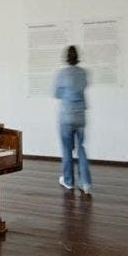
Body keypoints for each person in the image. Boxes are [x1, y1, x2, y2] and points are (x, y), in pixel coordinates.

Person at [54, 45, 91, 195]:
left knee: (67, 149)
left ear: (66, 57)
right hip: (80, 115)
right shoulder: (83, 72)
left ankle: (68, 181)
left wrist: (65, 92)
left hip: (66, 116)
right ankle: (86, 183)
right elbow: (83, 87)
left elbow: (56, 93)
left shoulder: (62, 73)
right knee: (81, 148)